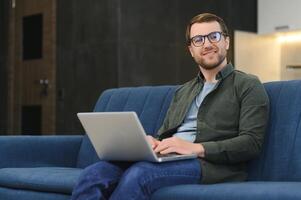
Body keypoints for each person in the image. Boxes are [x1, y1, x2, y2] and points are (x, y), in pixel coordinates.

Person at [71, 13, 269, 200]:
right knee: (94, 174)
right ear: (191, 50)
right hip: (168, 158)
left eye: (214, 36)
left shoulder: (248, 85)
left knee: (139, 175)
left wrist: (194, 148)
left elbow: (251, 143)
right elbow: (166, 134)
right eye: (198, 39)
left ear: (226, 41)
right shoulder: (183, 91)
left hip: (209, 165)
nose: (207, 44)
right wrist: (153, 143)